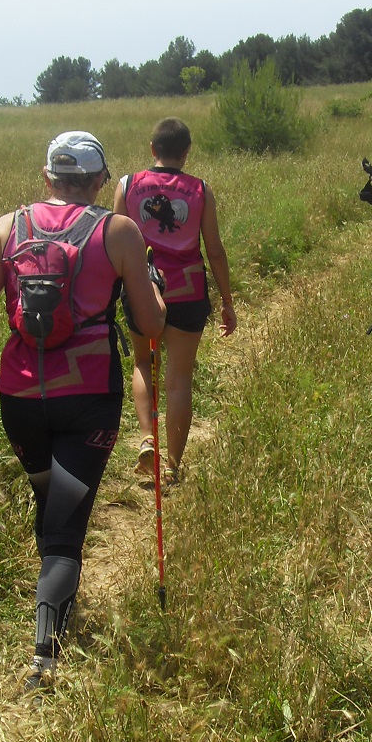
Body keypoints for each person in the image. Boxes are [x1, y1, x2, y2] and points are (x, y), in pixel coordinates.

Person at [0, 131, 166, 691]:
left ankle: (55, 604)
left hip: (20, 397)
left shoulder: (9, 227)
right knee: (66, 523)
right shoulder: (119, 231)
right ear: (100, 181)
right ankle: (45, 656)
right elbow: (150, 327)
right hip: (89, 394)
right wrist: (153, 286)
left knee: (49, 498)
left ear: (47, 177)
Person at [113, 117, 236, 482]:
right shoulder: (200, 190)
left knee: (141, 363)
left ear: (153, 149)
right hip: (188, 288)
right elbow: (214, 250)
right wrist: (227, 300)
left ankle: (148, 437)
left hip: (141, 287)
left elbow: (114, 242)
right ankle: (173, 466)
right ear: (186, 153)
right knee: (179, 378)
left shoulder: (128, 185)